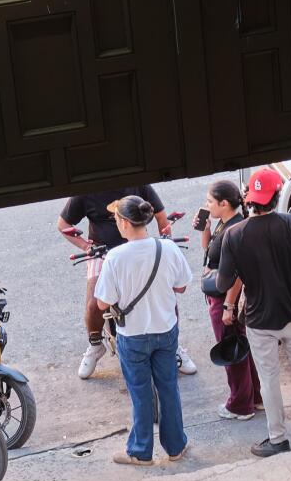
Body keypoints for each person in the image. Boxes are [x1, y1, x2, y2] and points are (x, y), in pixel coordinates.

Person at [213, 166, 291, 457]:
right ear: (277, 196)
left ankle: (278, 439)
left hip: (258, 318)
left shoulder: (234, 234)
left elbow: (222, 283)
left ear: (249, 199)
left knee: (269, 379)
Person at [94, 194, 194, 466]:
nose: (116, 224)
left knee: (140, 394)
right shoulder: (168, 248)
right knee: (168, 389)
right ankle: (176, 447)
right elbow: (182, 286)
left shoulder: (115, 257)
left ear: (125, 223)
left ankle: (141, 451)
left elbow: (102, 302)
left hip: (133, 335)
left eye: (116, 219)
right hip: (165, 330)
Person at [58, 186, 196, 380]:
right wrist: (85, 246)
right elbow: (63, 224)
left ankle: (172, 345)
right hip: (101, 252)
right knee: (93, 304)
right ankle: (95, 344)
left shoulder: (139, 184)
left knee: (165, 293)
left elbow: (161, 215)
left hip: (139, 246)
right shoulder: (86, 190)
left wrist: (166, 239)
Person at [198, 180, 259, 421]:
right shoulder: (225, 223)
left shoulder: (236, 228)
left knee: (231, 351)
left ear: (224, 203)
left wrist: (228, 306)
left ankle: (241, 405)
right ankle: (256, 396)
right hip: (222, 297)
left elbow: (238, 273)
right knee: (240, 347)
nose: (207, 205)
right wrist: (205, 229)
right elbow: (209, 254)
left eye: (210, 201)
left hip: (225, 300)